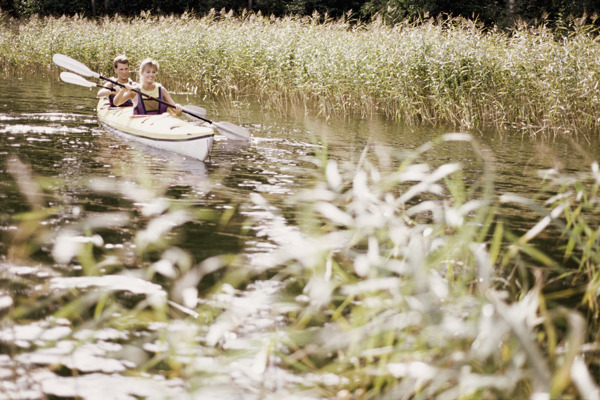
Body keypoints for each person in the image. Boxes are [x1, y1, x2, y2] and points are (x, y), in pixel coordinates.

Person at [112, 58, 182, 116]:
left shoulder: (162, 90)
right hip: (141, 127)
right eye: (148, 72)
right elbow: (116, 103)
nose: (151, 75)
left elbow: (175, 112)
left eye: (153, 72)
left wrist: (178, 110)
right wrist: (123, 90)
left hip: (160, 125)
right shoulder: (135, 91)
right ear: (142, 73)